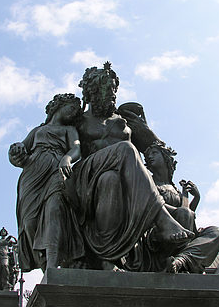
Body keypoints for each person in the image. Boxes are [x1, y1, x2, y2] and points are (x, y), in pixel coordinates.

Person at [65, 62, 193, 269]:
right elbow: (50, 140)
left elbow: (155, 147)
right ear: (91, 93)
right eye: (105, 92)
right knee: (125, 150)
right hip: (87, 178)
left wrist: (142, 124)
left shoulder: (124, 120)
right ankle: (161, 218)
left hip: (120, 178)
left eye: (113, 92)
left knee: (111, 179)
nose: (111, 97)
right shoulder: (77, 120)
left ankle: (110, 259)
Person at [9, 93, 83, 271]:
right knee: (29, 222)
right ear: (59, 106)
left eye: (76, 112)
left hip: (56, 171)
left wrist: (66, 158)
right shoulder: (37, 131)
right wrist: (15, 151)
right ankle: (43, 265)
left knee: (54, 210)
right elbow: (19, 152)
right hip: (32, 174)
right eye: (71, 108)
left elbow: (77, 149)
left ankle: (52, 264)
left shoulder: (69, 130)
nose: (74, 113)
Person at [124, 142, 219, 273]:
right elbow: (151, 205)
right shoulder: (147, 182)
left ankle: (180, 261)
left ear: (166, 157)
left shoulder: (176, 189)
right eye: (147, 156)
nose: (149, 157)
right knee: (183, 213)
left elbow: (188, 218)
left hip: (180, 235)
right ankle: (181, 259)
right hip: (157, 233)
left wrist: (196, 199)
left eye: (154, 153)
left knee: (216, 232)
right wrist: (178, 211)